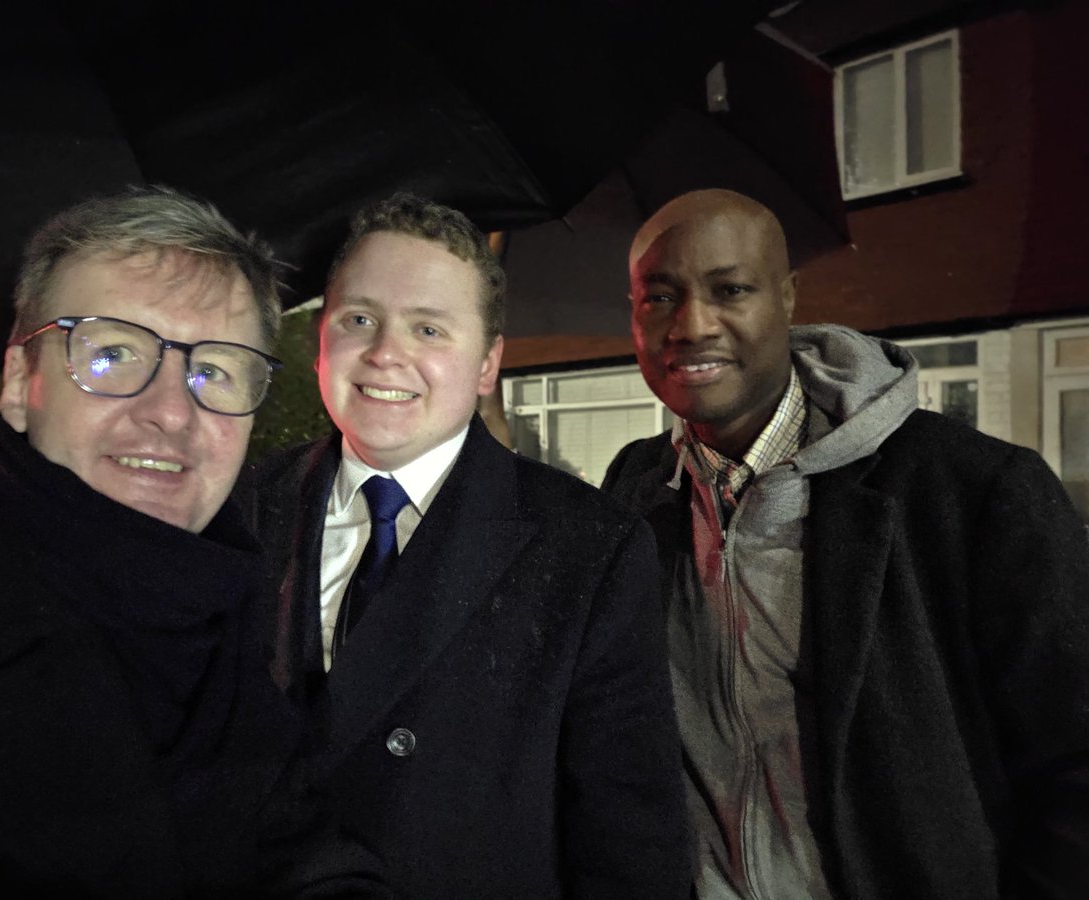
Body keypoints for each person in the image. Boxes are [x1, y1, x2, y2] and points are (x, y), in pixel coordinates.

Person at [602, 188, 1089, 900]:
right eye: (660, 298)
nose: (692, 324)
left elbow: (1074, 765)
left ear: (789, 299)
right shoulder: (634, 488)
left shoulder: (976, 493)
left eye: (730, 289)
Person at [0, 186, 389, 898]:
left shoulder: (227, 619)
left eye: (214, 370)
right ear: (20, 383)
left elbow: (304, 856)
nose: (170, 411)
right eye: (112, 355)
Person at [249, 193, 692, 898]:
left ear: (488, 365)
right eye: (360, 319)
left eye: (429, 329)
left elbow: (630, 843)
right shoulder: (239, 507)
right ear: (322, 340)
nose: (387, 353)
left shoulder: (589, 549)